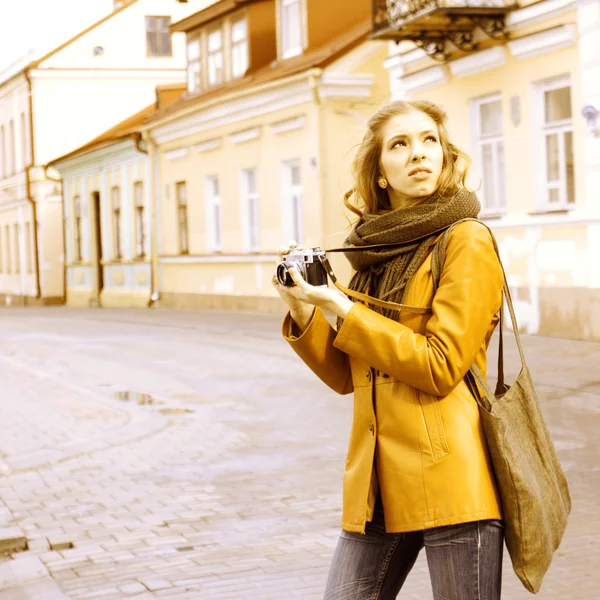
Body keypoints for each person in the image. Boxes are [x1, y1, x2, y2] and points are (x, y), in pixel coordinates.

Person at [272, 100, 505, 600]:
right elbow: (347, 375)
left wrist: (342, 306)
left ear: (445, 156)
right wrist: (304, 309)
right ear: (380, 173)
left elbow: (439, 365)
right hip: (376, 481)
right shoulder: (374, 253)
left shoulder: (466, 240)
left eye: (429, 141)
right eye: (400, 145)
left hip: (451, 477)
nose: (418, 154)